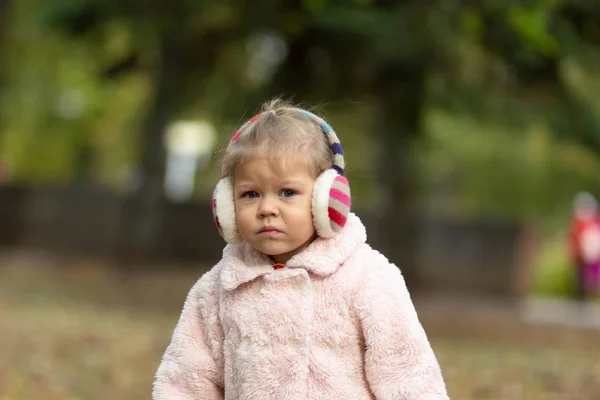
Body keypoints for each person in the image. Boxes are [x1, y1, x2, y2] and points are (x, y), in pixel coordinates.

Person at [153, 99, 449, 399]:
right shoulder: (217, 290)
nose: (267, 208)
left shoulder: (368, 279)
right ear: (227, 205)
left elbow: (410, 376)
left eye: (287, 192)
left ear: (327, 198)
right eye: (250, 194)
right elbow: (186, 381)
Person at [569, 192, 600, 301]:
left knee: (590, 279)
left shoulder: (593, 221)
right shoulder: (578, 222)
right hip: (581, 256)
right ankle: (583, 299)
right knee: (582, 278)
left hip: (592, 257)